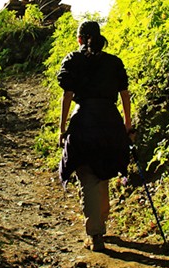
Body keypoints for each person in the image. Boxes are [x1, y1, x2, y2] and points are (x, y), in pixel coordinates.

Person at [57, 20, 133, 252]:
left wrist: (62, 129)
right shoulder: (114, 62)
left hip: (85, 122)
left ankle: (96, 232)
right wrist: (127, 127)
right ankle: (101, 221)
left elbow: (68, 95)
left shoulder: (73, 60)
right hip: (111, 122)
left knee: (88, 175)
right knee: (104, 172)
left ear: (79, 39)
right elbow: (125, 96)